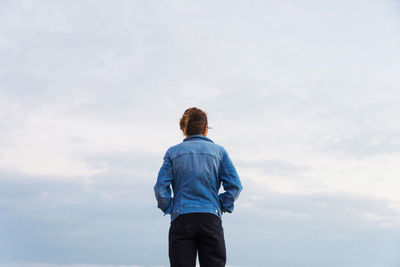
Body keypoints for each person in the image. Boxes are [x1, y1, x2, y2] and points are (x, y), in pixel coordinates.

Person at [154, 107, 243, 267]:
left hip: (182, 218)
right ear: (205, 128)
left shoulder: (173, 153)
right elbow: (235, 186)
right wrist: (221, 204)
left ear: (184, 129)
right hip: (210, 218)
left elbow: (161, 189)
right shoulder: (219, 152)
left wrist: (170, 207)